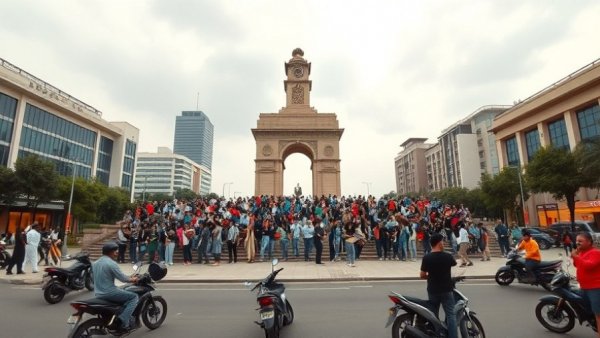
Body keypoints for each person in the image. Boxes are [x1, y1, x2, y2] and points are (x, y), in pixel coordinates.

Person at [93, 242, 139, 333]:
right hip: (109, 293)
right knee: (134, 297)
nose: (117, 252)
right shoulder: (111, 263)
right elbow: (123, 279)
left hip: (98, 293)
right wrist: (133, 279)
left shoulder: (95, 263)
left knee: (123, 290)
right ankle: (123, 321)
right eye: (115, 250)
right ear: (109, 252)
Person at [420, 233, 458, 338]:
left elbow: (422, 275)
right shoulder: (447, 256)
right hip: (447, 289)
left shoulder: (427, 258)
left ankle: (436, 334)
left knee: (433, 315)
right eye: (443, 241)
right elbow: (454, 263)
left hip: (433, 290)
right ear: (439, 243)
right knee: (451, 315)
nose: (444, 243)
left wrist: (431, 277)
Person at [571, 232, 600, 336]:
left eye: (580, 241)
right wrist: (576, 255)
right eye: (577, 241)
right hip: (584, 287)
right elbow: (577, 265)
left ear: (589, 242)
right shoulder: (582, 252)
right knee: (588, 310)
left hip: (595, 288)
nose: (577, 243)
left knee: (598, 314)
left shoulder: (596, 252)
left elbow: (589, 266)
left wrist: (576, 256)